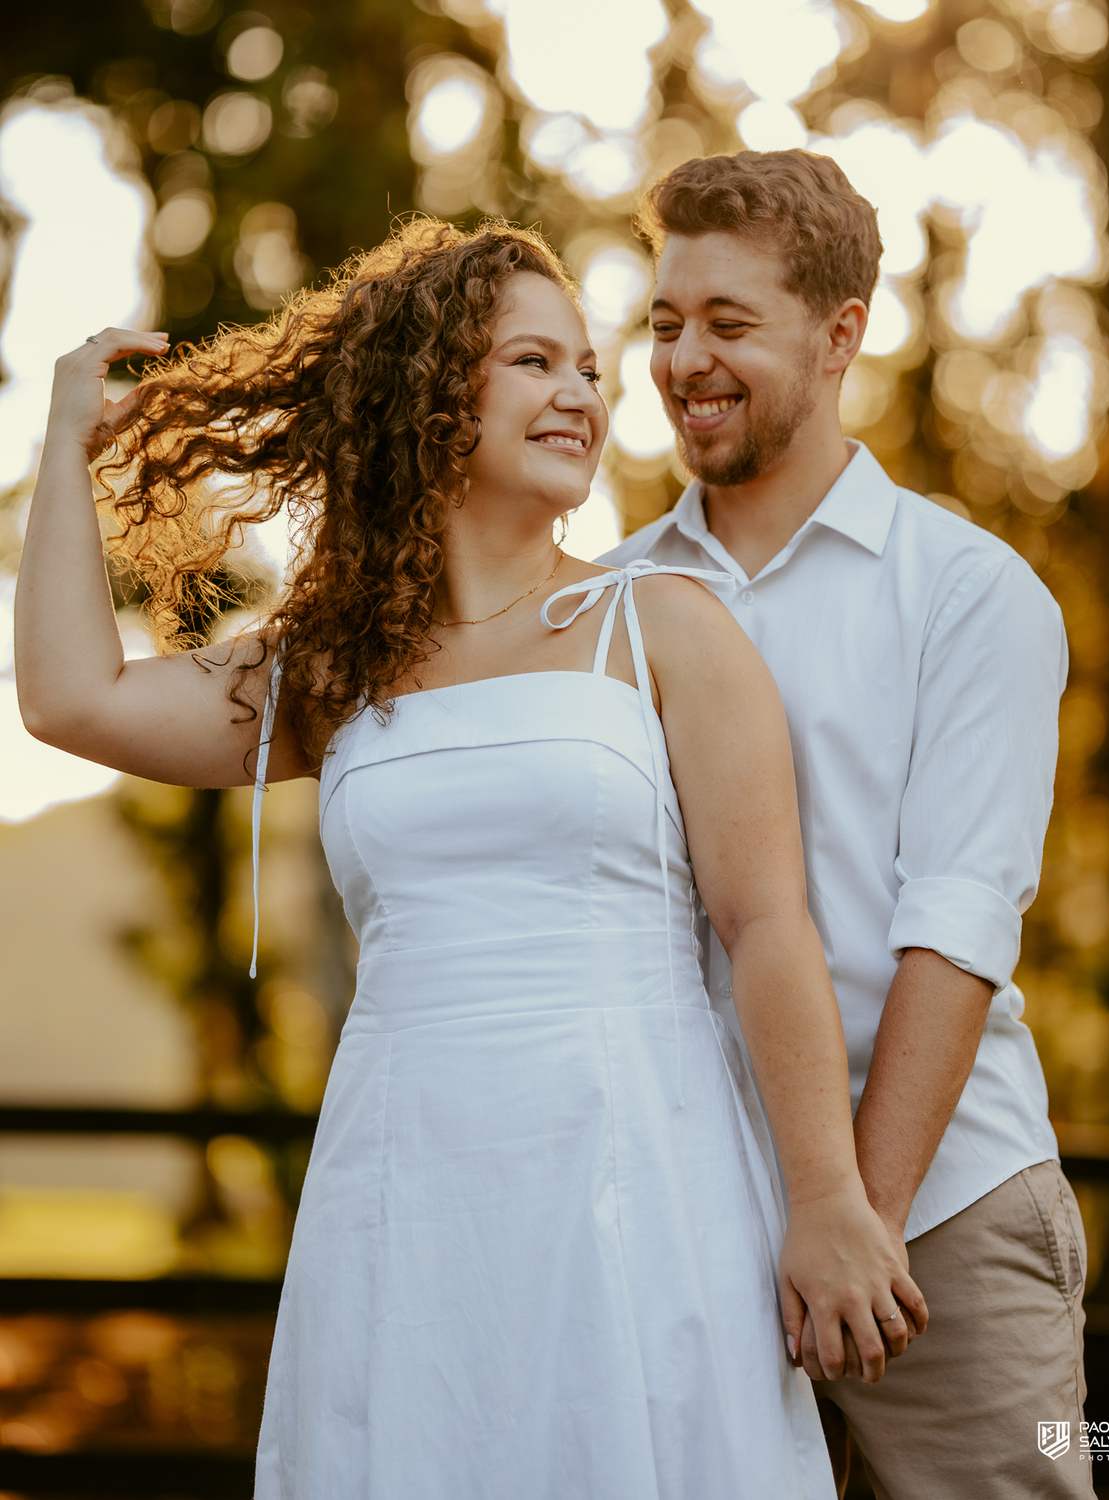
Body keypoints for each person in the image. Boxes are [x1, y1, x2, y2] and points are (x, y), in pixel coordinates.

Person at [15, 219, 926, 1500]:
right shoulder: (334, 666)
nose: (583, 395)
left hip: (633, 1166)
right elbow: (70, 700)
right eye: (534, 362)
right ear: (436, 389)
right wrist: (63, 439)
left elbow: (769, 926)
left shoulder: (660, 626)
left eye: (591, 370)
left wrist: (827, 1197)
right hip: (407, 1181)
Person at [604, 151, 1092, 1499]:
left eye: (729, 324)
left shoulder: (969, 596)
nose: (684, 360)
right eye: (663, 323)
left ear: (840, 336)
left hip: (942, 1209)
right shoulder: (603, 603)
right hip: (688, 1214)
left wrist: (855, 1225)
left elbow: (957, 926)